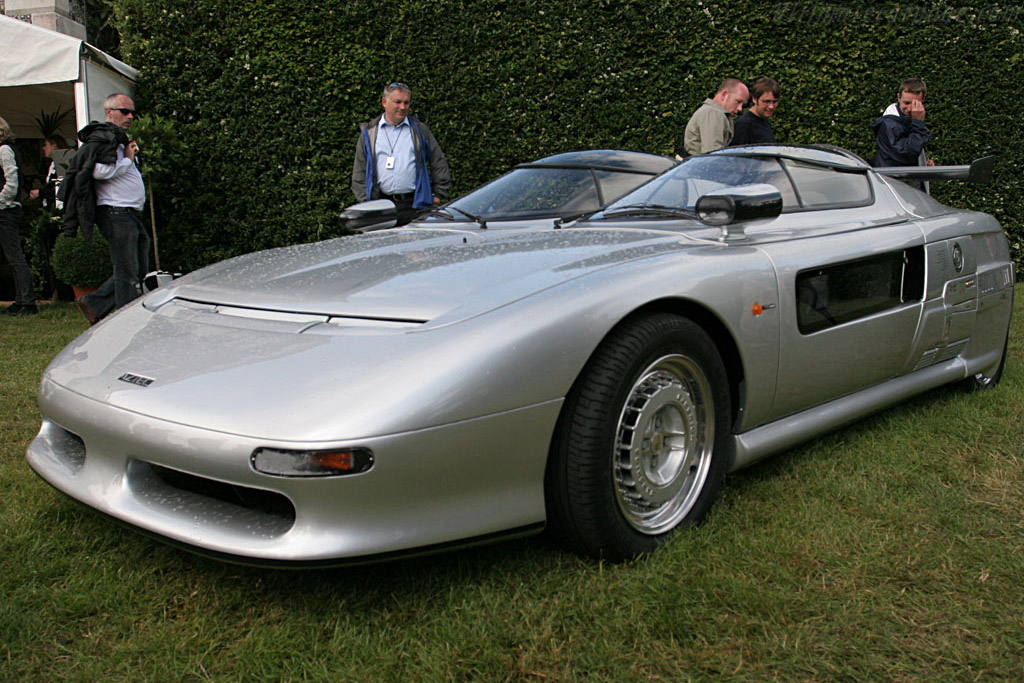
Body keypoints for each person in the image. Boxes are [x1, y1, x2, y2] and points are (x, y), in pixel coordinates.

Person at [61, 93, 147, 325]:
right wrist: (128, 159)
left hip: (129, 212)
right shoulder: (103, 138)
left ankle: (94, 304)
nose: (130, 116)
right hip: (116, 212)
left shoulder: (117, 138)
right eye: (124, 111)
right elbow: (97, 171)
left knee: (137, 268)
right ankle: (126, 321)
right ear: (109, 112)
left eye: (132, 112)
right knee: (127, 270)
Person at [351, 82, 451, 226]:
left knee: (414, 248)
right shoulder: (370, 132)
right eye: (397, 102)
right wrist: (366, 202)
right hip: (380, 206)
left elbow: (438, 161)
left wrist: (439, 194)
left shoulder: (419, 130)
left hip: (414, 206)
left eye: (406, 103)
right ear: (384, 102)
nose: (402, 107)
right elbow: (359, 170)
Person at [0, 115, 38, 316]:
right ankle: (22, 299)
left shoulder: (4, 150)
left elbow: (12, 183)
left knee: (14, 256)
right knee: (12, 257)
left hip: (6, 210)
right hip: (6, 208)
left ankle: (27, 301)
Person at [677, 78, 749, 158]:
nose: (740, 108)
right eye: (738, 101)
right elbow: (713, 156)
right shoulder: (713, 113)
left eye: (743, 104)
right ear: (724, 95)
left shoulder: (712, 112)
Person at [871, 77, 934, 168]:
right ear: (899, 97)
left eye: (915, 104)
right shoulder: (890, 124)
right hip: (891, 179)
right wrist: (918, 123)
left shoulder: (907, 120)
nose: (909, 109)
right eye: (907, 103)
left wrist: (922, 164)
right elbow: (907, 154)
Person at [731, 77, 779, 146]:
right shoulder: (744, 124)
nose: (771, 106)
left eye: (774, 102)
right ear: (754, 99)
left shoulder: (763, 119)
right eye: (767, 101)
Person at [29, 135, 67, 209]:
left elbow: (59, 186)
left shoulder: (62, 164)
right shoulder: (52, 164)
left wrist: (40, 192)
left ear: (54, 145)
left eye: (46, 145)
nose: (44, 148)